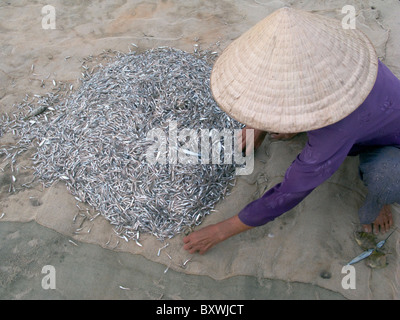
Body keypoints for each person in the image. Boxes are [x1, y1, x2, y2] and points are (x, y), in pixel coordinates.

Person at [183, 7, 400, 254]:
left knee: (390, 177)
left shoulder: (333, 131)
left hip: (389, 143)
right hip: (362, 122)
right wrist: (258, 127)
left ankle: (378, 200)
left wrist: (221, 230)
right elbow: (279, 82)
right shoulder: (336, 53)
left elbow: (291, 192)